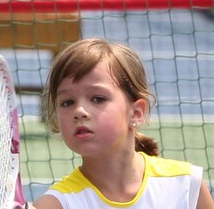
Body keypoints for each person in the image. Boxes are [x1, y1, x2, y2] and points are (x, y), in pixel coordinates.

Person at [28, 38, 214, 209]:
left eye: (98, 98)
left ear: (136, 113)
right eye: (67, 102)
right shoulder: (56, 204)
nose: (79, 111)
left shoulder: (187, 185)